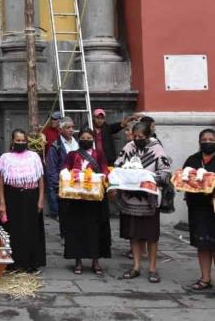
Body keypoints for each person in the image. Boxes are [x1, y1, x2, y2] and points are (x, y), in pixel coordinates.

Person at [116, 121, 171, 283]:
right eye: (135, 136)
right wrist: (126, 174)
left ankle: (153, 268)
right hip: (130, 198)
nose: (137, 139)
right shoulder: (128, 148)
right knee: (134, 234)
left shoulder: (157, 150)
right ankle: (136, 266)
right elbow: (118, 165)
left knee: (151, 235)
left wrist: (147, 177)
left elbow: (166, 172)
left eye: (141, 136)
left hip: (149, 199)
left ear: (147, 136)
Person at [59, 128, 111, 275]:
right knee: (77, 229)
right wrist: (68, 174)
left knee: (95, 229)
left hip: (94, 200)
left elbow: (105, 170)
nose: (86, 140)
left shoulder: (99, 154)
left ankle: (95, 261)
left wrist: (100, 177)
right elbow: (64, 169)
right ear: (79, 139)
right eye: (83, 137)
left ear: (93, 139)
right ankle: (78, 261)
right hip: (76, 199)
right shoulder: (72, 155)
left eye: (89, 137)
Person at [0, 130, 45, 274]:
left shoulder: (34, 156)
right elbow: (0, 182)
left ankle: (31, 264)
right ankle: (13, 263)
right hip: (12, 196)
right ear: (12, 141)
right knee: (14, 230)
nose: (21, 143)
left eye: (23, 141)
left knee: (31, 230)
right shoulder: (5, 158)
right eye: (18, 140)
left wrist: (41, 199)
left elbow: (41, 179)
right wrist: (2, 203)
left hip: (31, 196)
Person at [183, 129, 215, 291]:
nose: (207, 142)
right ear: (199, 142)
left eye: (211, 139)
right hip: (198, 208)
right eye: (204, 139)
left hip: (214, 207)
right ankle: (205, 278)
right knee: (202, 244)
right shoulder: (193, 159)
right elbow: (183, 179)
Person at [45, 117, 78, 221]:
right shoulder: (55, 147)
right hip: (62, 184)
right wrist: (56, 186)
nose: (71, 130)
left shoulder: (76, 142)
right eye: (68, 127)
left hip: (76, 181)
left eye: (72, 127)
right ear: (60, 130)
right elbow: (51, 170)